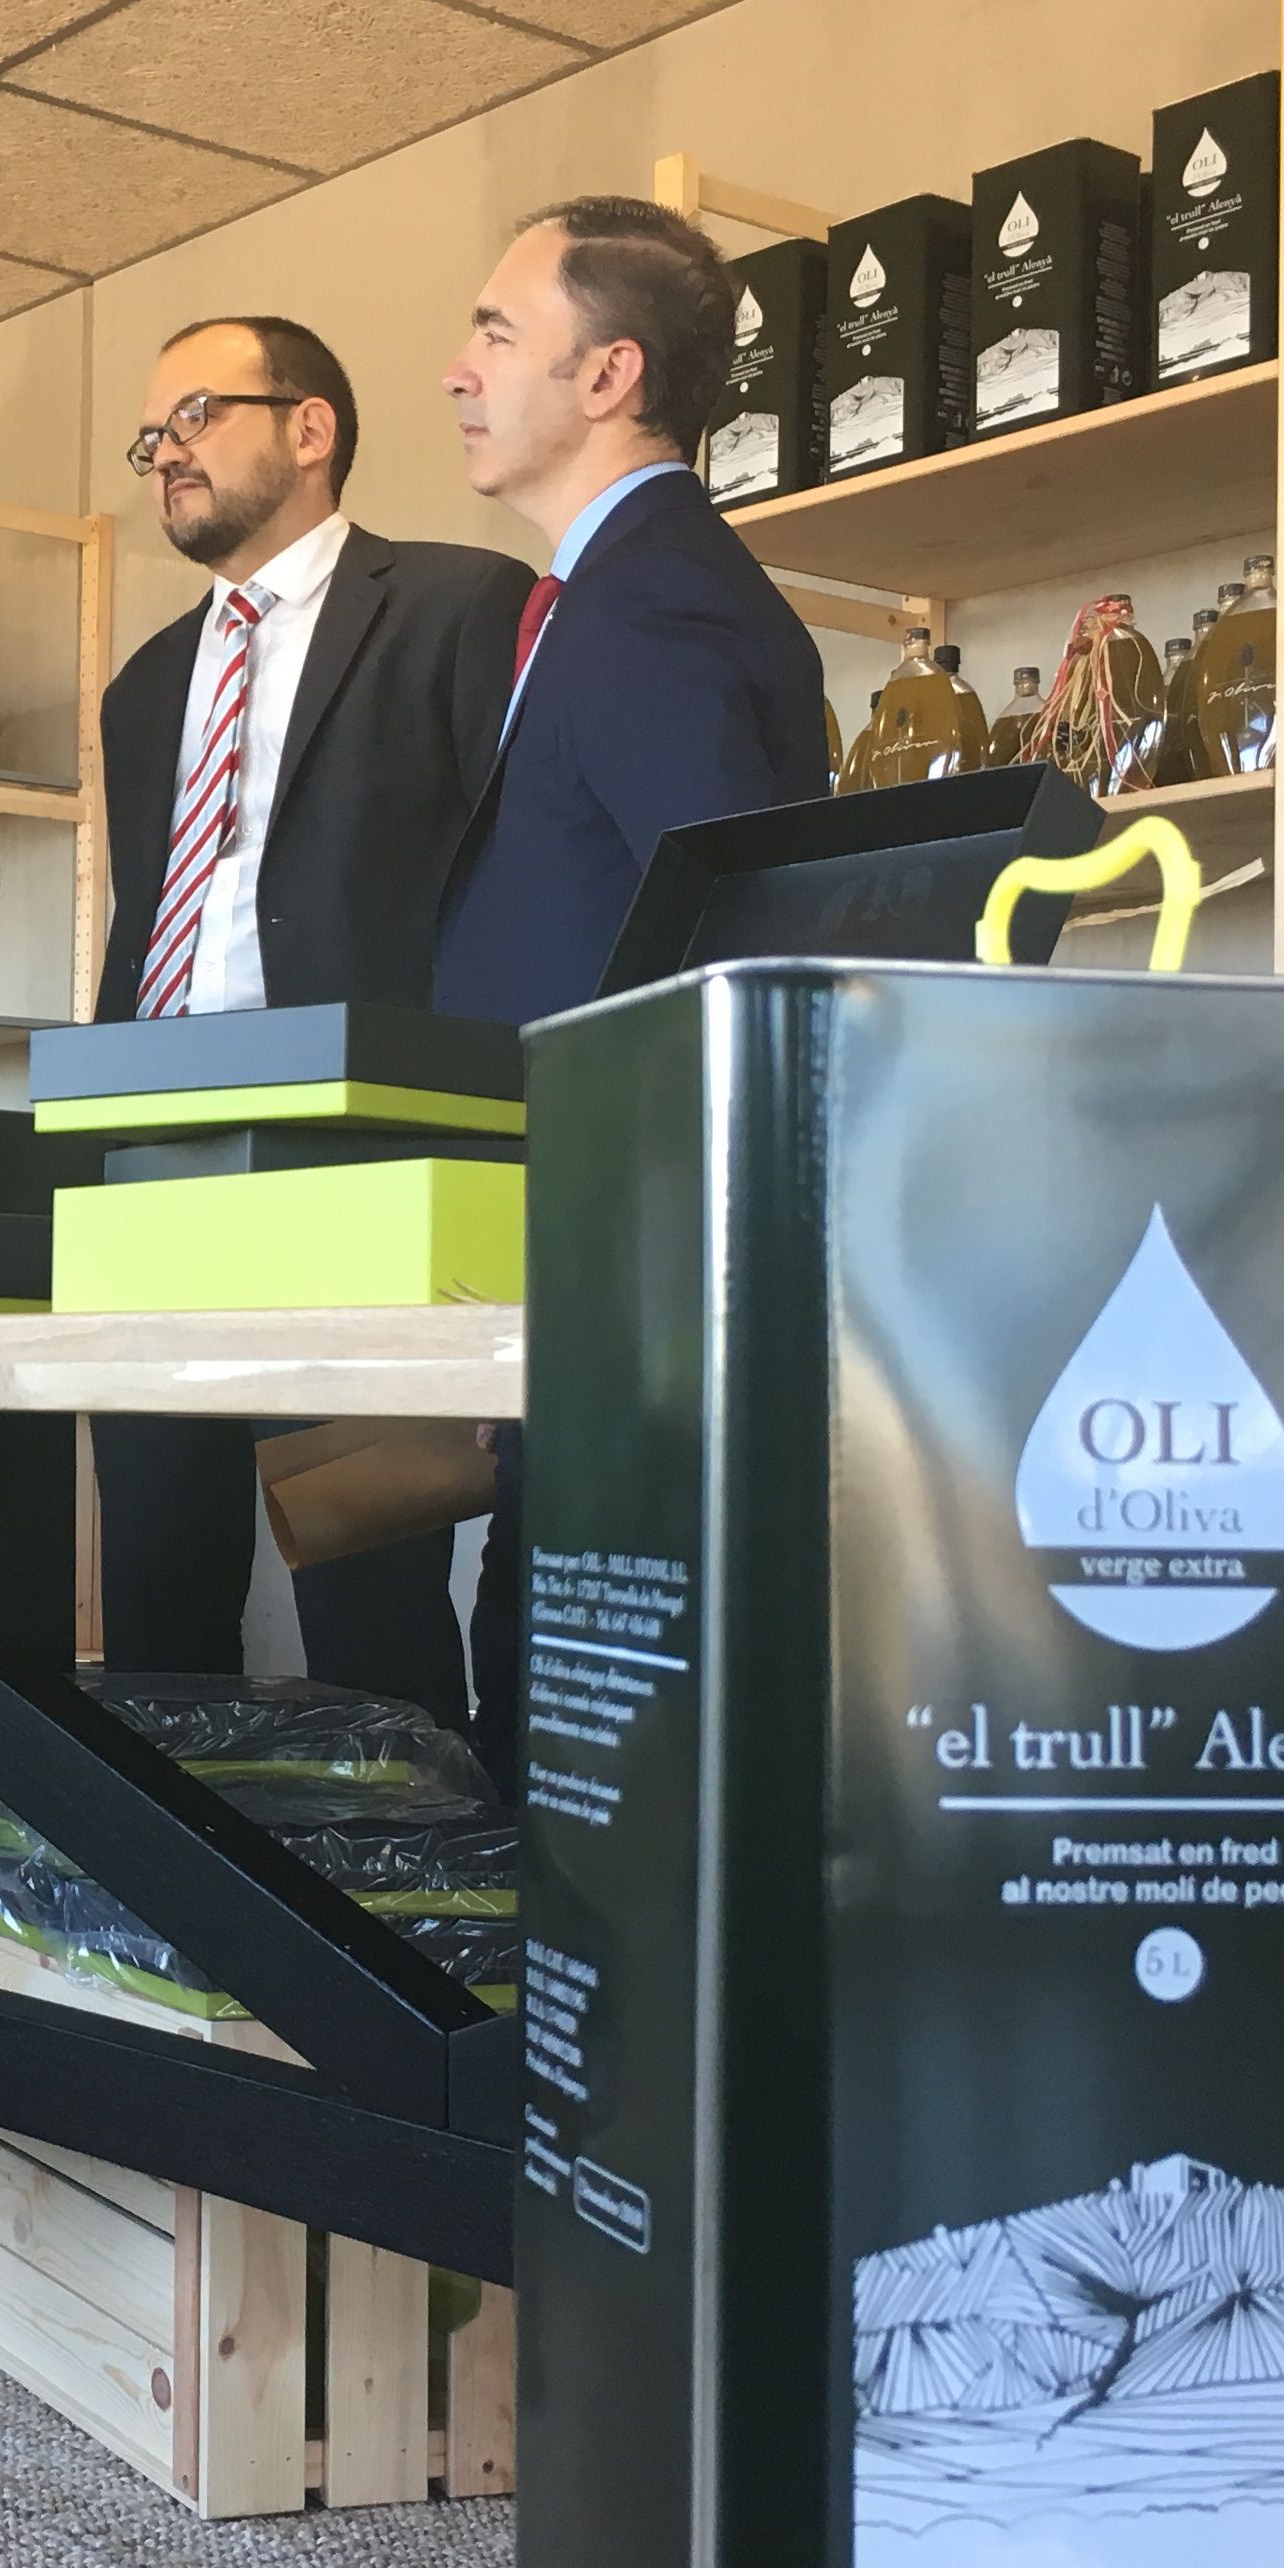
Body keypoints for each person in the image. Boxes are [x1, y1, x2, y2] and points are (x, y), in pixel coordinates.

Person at [427, 193, 828, 1779]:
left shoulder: (656, 601)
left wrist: (588, 1273)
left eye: (495, 331)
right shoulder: (617, 591)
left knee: (572, 1726)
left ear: (609, 377)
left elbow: (726, 948)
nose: (458, 369)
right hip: (589, 1264)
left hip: (633, 1277)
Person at [88, 316, 530, 1733]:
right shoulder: (146, 683)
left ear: (312, 427)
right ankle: (165, 1874)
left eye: (197, 416)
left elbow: (511, 900)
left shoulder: (462, 605)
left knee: (365, 1577)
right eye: (152, 435)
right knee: (155, 1575)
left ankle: (414, 1875)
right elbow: (147, 914)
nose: (167, 453)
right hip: (156, 1158)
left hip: (358, 1162)